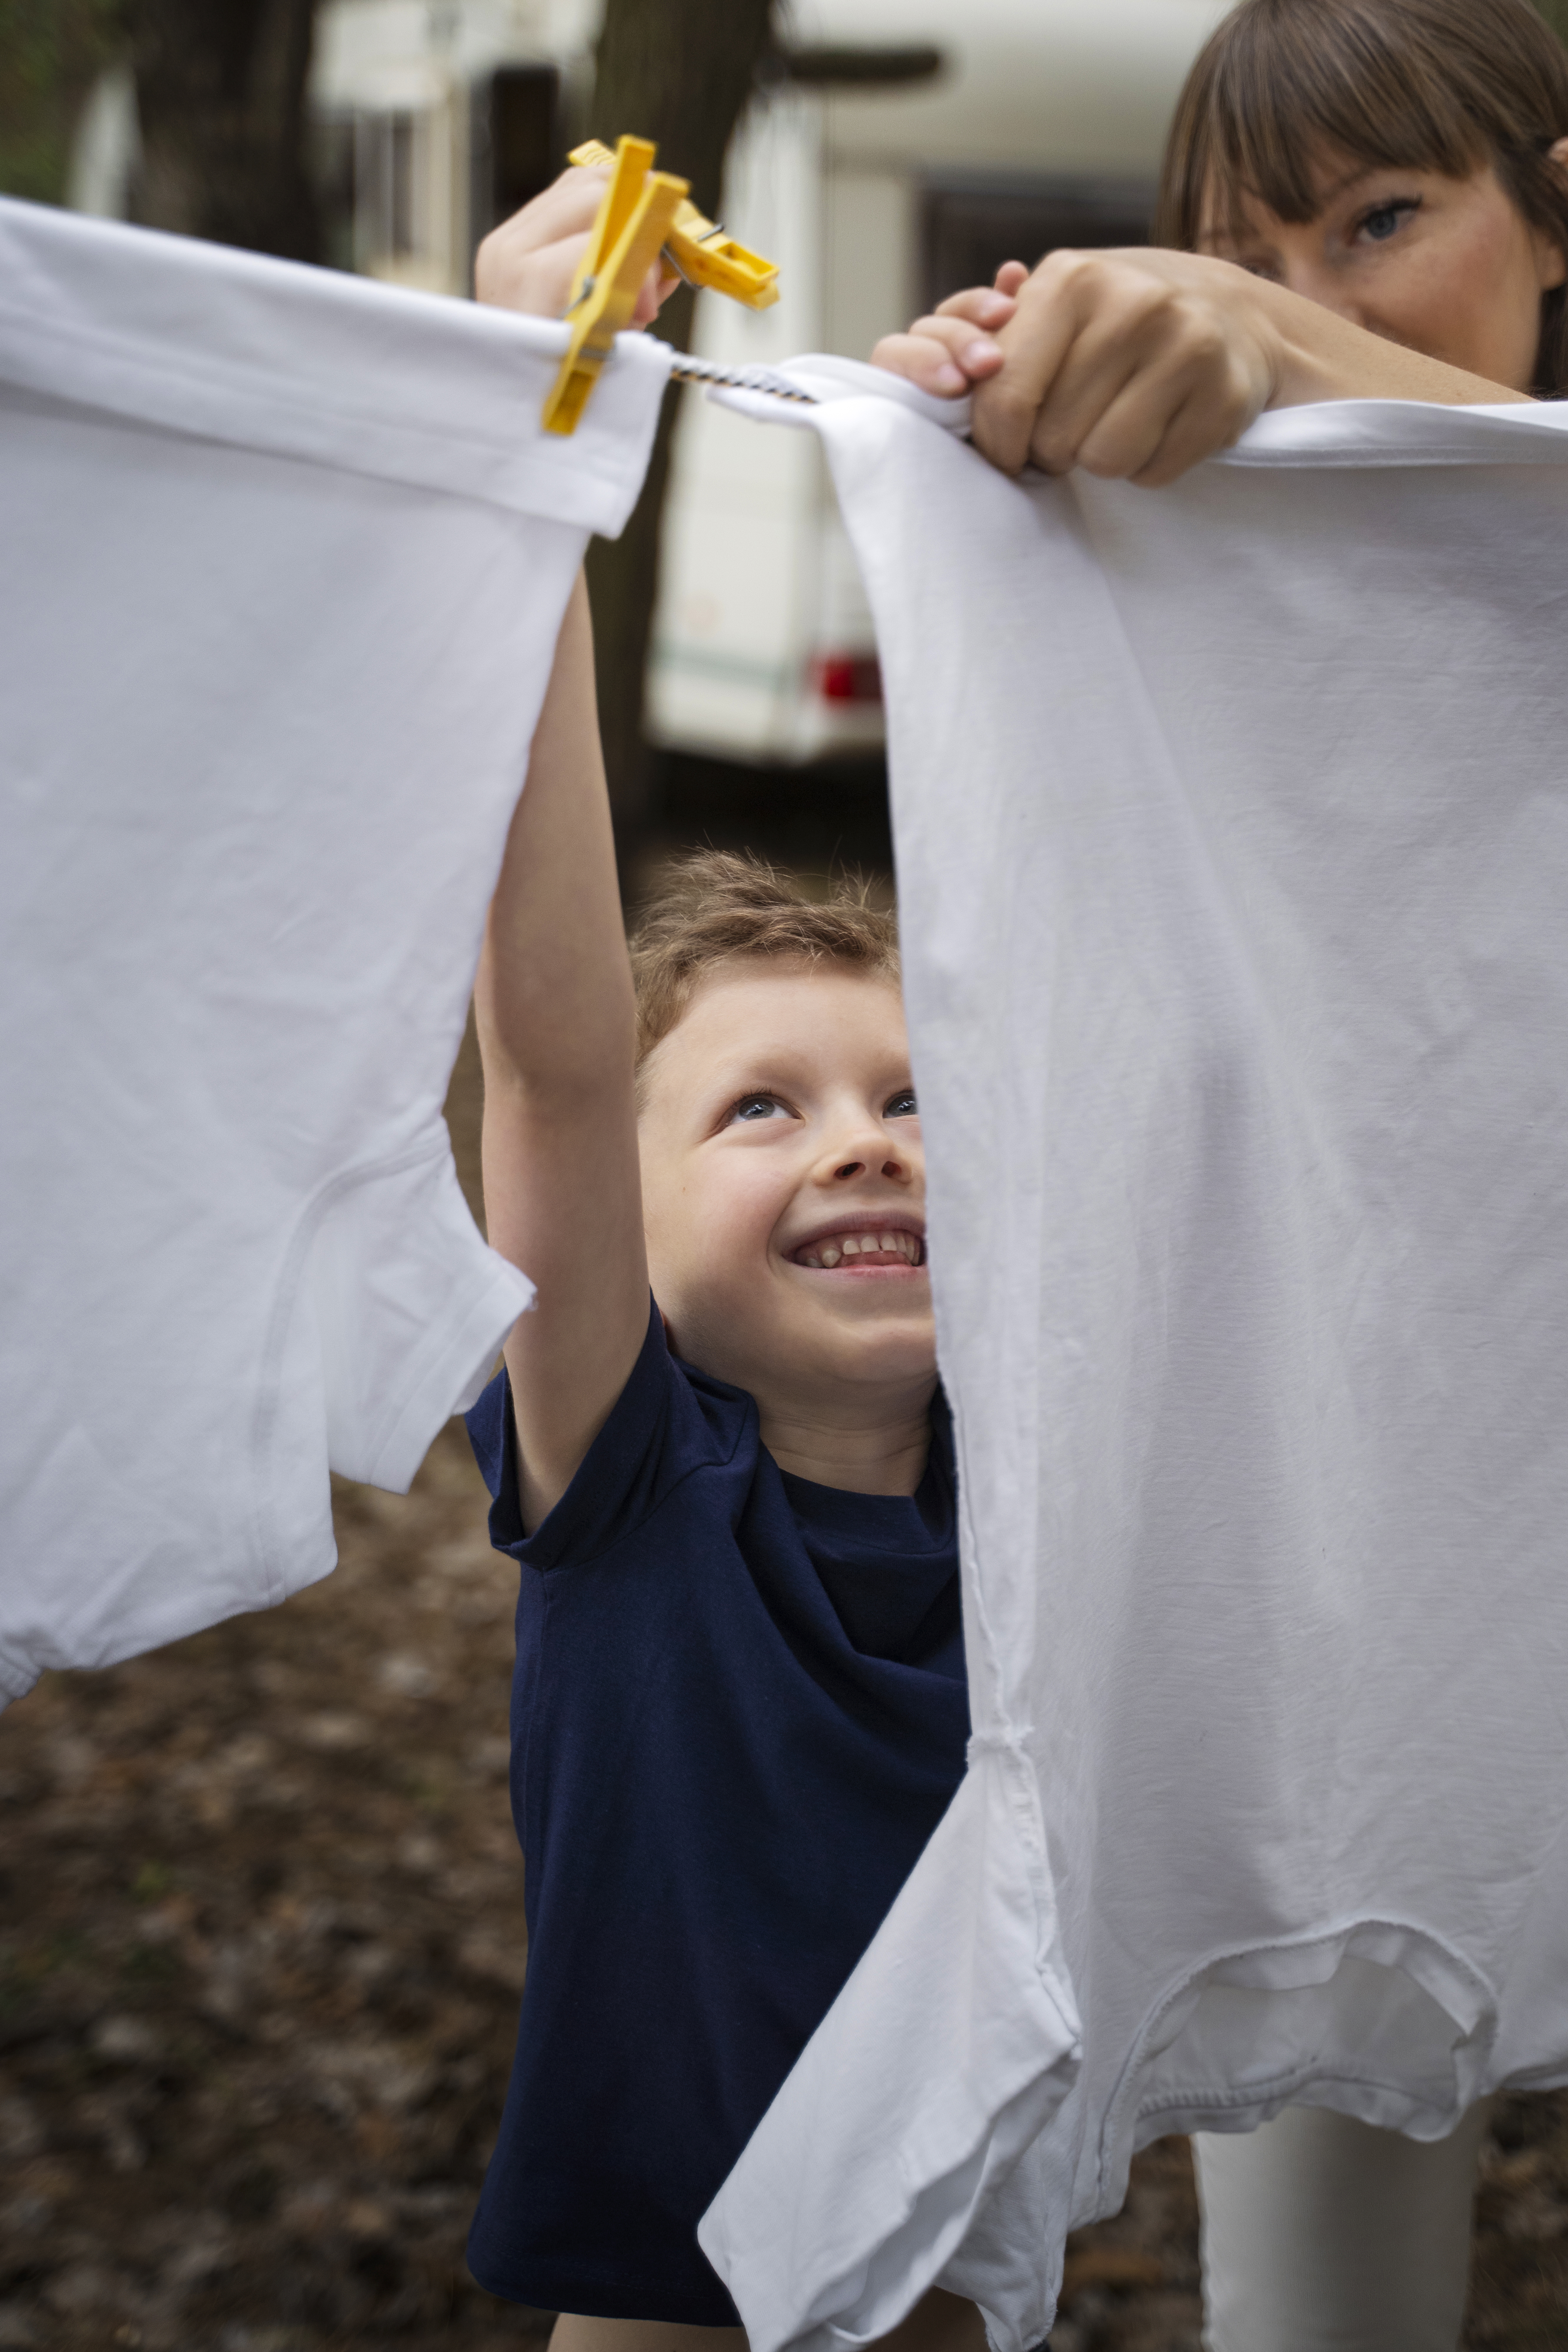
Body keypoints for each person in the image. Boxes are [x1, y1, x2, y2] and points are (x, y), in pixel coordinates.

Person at [875, 3, 1568, 2346]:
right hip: (1357, 1516)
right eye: (1250, 248)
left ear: (1555, 210)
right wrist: (989, 460)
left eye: (1384, 217)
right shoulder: (1194, 559)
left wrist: (1268, 333)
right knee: (1327, 2251)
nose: (1319, 293)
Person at [460, 170, 985, 2352]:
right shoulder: (635, 1482)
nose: (864, 1136)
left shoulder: (1045, 1487)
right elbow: (560, 1052)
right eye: (760, 1107)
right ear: (629, 1228)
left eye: (912, 1095)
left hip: (956, 2283)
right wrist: (533, 429)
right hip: (664, 2309)